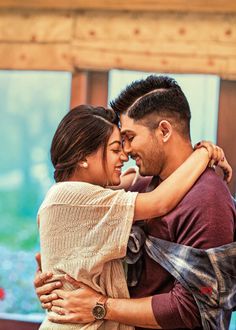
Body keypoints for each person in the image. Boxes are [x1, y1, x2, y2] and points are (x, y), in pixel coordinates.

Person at [34, 77, 235, 330]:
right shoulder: (139, 188)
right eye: (118, 144)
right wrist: (54, 281)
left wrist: (100, 305)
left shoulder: (207, 199)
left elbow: (193, 310)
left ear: (164, 131)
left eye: (129, 137)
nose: (125, 152)